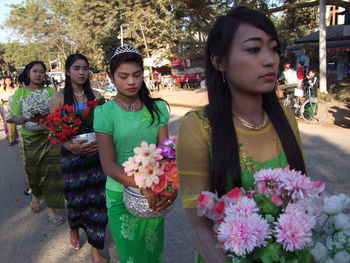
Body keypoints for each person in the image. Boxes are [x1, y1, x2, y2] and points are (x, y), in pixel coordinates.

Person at [176, 7, 306, 263]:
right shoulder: (199, 127)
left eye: (274, 48)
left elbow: (301, 200)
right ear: (219, 61)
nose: (270, 60)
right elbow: (202, 228)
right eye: (254, 49)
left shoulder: (286, 119)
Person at [94, 44, 176, 263]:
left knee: (152, 253)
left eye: (136, 75)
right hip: (120, 194)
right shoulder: (104, 113)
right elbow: (108, 164)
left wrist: (170, 186)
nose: (131, 81)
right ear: (112, 78)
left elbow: (167, 153)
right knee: (132, 256)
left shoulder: (157, 108)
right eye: (123, 76)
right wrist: (141, 186)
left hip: (156, 192)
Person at [50, 54, 108, 263]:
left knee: (98, 203)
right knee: (75, 201)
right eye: (76, 68)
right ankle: (74, 228)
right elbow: (53, 130)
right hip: (72, 159)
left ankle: (96, 252)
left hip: (96, 158)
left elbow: (106, 127)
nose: (82, 72)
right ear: (67, 71)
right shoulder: (58, 97)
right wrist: (71, 146)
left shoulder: (97, 96)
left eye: (85, 68)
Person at [11, 61, 65, 224]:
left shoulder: (50, 91)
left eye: (42, 72)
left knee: (52, 175)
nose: (39, 74)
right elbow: (15, 116)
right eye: (35, 71)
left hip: (50, 138)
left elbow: (57, 112)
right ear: (28, 73)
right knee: (34, 174)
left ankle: (52, 211)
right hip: (30, 139)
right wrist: (19, 119)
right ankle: (35, 196)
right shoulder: (19, 94)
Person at [2, 76, 18, 146]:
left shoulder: (13, 89)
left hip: (14, 107)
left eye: (9, 80)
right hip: (5, 107)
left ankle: (16, 137)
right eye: (6, 80)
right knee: (9, 123)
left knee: (15, 122)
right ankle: (11, 139)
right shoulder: (2, 89)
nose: (8, 82)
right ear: (4, 82)